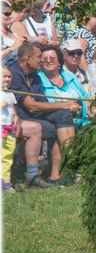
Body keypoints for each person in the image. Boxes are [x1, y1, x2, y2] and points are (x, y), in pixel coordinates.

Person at [7, 42, 78, 187]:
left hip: (32, 117)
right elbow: (32, 106)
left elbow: (42, 104)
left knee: (62, 116)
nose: (42, 60)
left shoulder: (34, 76)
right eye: (39, 56)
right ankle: (67, 169)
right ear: (28, 58)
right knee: (58, 120)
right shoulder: (13, 73)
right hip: (18, 119)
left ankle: (57, 176)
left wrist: (66, 109)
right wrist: (64, 103)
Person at [37, 44, 89, 128]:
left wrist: (90, 111)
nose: (48, 61)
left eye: (52, 59)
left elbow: (85, 97)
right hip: (58, 125)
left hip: (82, 123)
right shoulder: (38, 79)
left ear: (59, 62)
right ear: (41, 63)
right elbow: (43, 105)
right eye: (45, 59)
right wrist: (67, 106)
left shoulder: (69, 75)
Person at [52, 0, 96, 67]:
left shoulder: (83, 13)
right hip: (70, 50)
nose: (78, 2)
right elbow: (58, 38)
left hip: (89, 50)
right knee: (80, 44)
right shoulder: (61, 13)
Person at [1, 64, 18, 193]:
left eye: (9, 76)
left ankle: (6, 182)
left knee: (8, 156)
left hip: (10, 128)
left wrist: (16, 117)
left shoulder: (10, 94)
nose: (7, 79)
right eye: (4, 76)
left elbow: (13, 109)